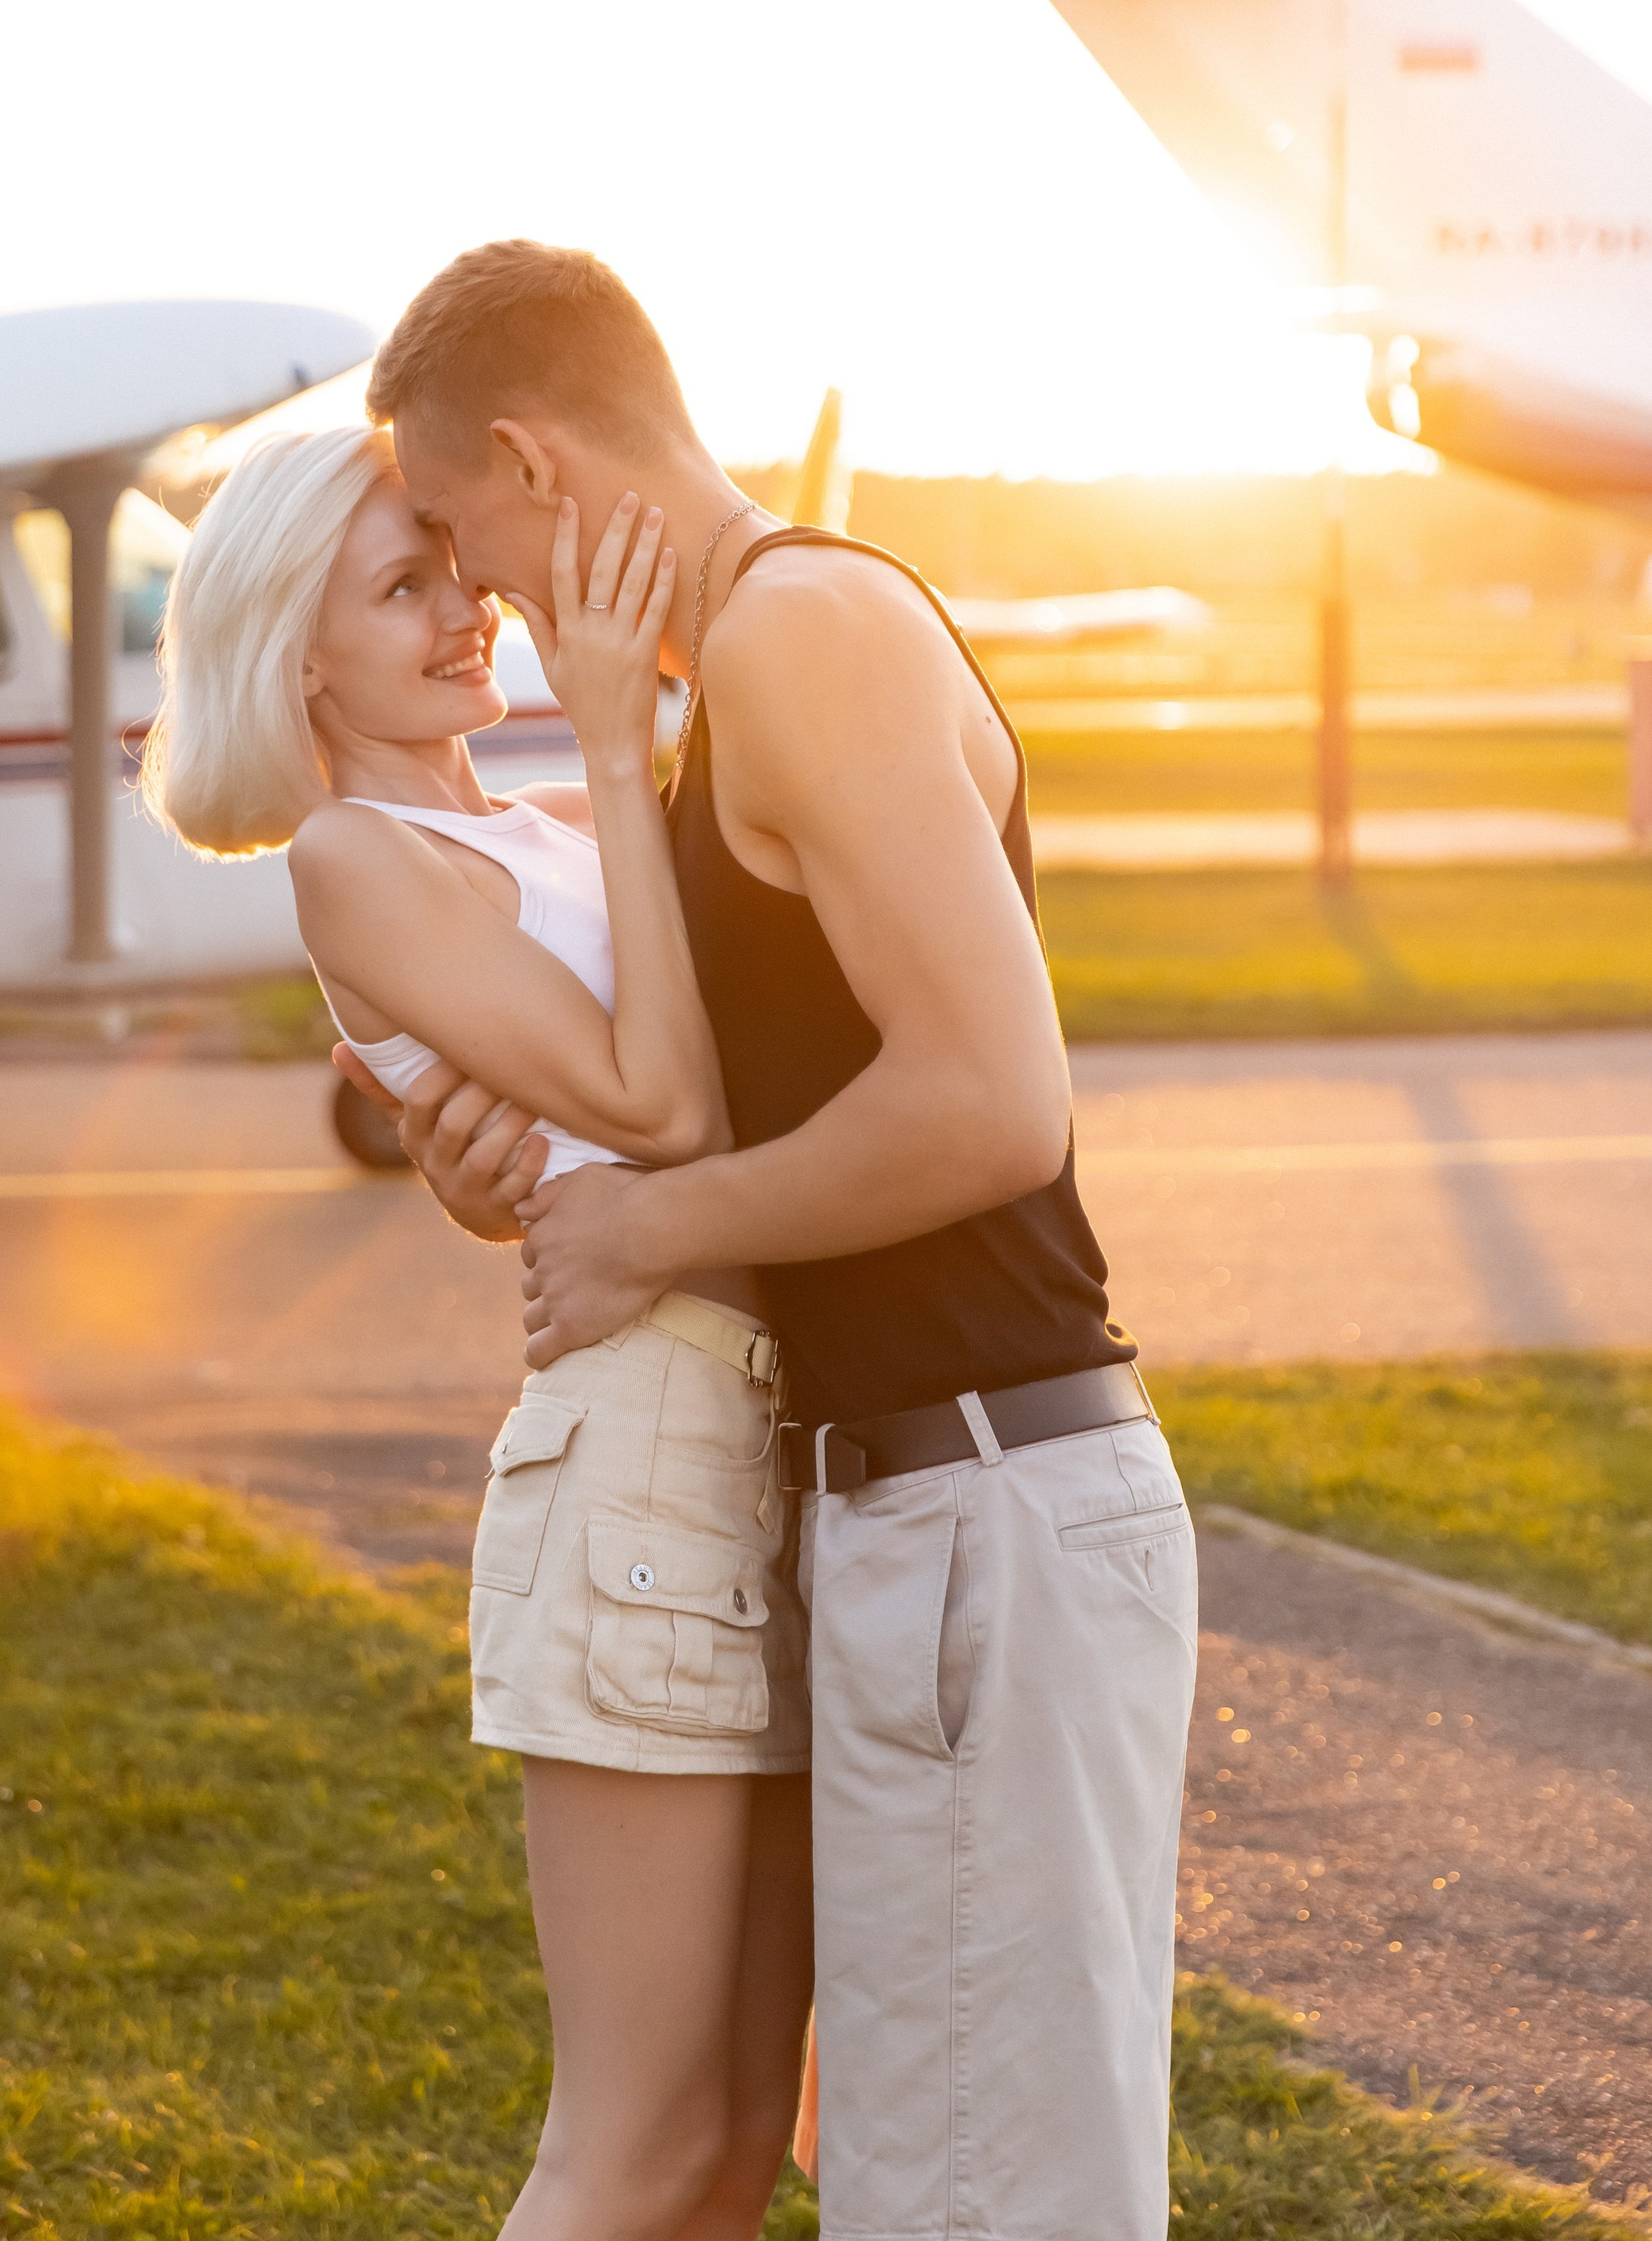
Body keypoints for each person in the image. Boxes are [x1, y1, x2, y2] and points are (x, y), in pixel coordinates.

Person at [349, 241, 1199, 2241]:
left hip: (982, 1498)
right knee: (913, 2183)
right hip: (894, 1522)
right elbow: (733, 1099)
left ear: (531, 457)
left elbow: (991, 1101)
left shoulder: (803, 632)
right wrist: (513, 1168)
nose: (467, 583)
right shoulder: (700, 693)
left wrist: (648, 1227)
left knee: (991, 2204)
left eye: (458, 527)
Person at [140, 421, 813, 2241]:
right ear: (300, 657)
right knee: (630, 2149)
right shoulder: (355, 854)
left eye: (450, 564)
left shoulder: (526, 828)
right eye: (403, 587)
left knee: (746, 2132)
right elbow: (665, 1109)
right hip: (643, 1461)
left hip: (765, 1435)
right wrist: (609, 734)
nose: (465, 611)